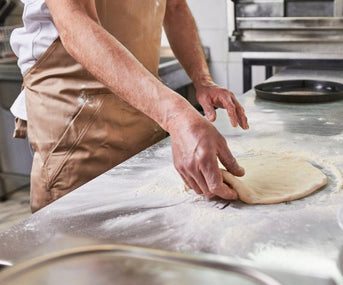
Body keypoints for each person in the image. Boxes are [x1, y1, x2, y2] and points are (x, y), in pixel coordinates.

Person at [9, 0, 249, 212]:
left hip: (143, 110)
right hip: (76, 120)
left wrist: (203, 81)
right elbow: (74, 21)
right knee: (80, 245)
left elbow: (175, 8)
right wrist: (176, 114)